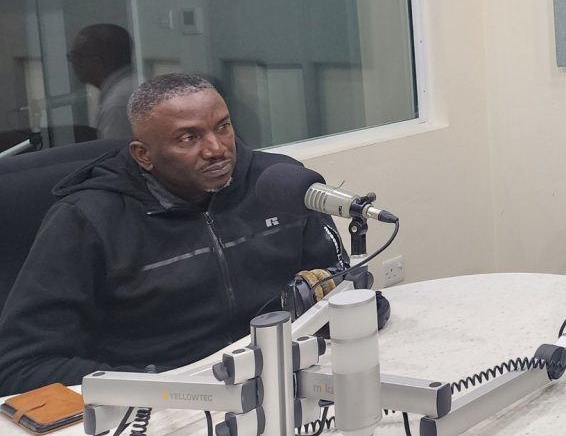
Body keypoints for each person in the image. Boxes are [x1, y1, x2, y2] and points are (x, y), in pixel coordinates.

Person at [0, 73, 348, 394]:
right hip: (162, 397)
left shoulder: (277, 183)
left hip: (284, 378)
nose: (216, 149)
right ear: (143, 155)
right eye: (189, 137)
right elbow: (22, 365)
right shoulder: (87, 220)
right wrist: (161, 385)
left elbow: (336, 288)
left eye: (223, 127)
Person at [66, 23, 137, 140]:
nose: (72, 63)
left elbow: (114, 153)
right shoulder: (133, 84)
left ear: (97, 62)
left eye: (75, 56)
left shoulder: (118, 104)